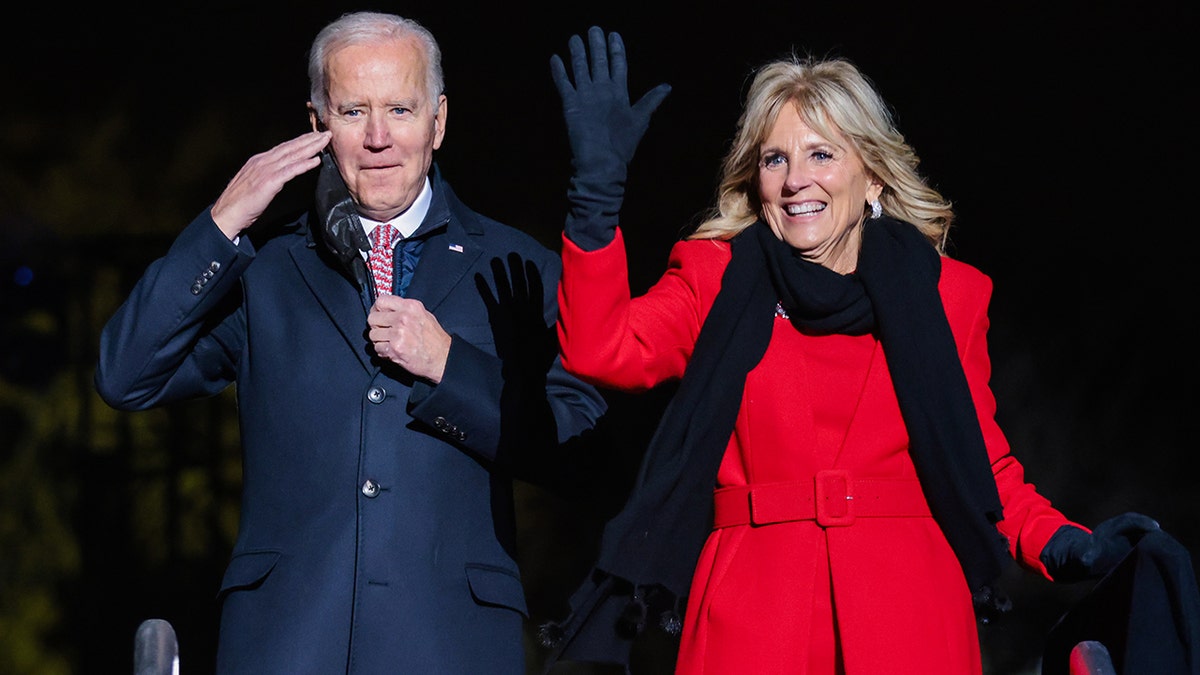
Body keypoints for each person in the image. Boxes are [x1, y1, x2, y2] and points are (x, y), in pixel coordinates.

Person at [537, 27, 1162, 674]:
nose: (795, 179)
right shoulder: (715, 279)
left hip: (912, 620)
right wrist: (595, 200)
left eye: (821, 154)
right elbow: (598, 348)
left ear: (870, 175)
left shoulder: (945, 296)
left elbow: (983, 466)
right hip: (751, 623)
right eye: (775, 158)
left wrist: (1066, 544)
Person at [94, 11, 607, 674]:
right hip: (284, 643)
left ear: (438, 121)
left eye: (400, 108)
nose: (377, 138)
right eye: (353, 110)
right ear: (316, 124)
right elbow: (123, 374)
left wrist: (452, 367)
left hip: (451, 644)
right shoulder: (265, 266)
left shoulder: (517, 264)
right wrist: (222, 223)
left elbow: (586, 455)